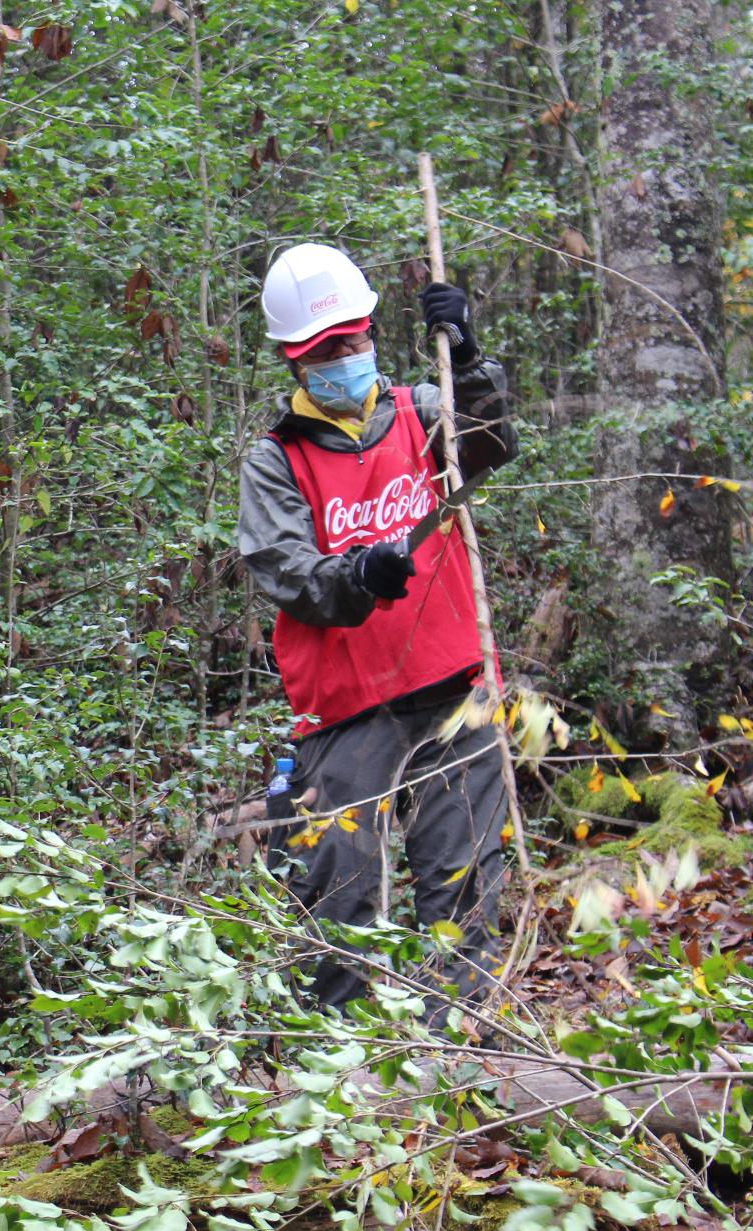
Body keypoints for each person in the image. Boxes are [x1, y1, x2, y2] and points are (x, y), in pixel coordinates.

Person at [237, 243, 518, 1023]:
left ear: (369, 332)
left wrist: (467, 360)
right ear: (297, 362)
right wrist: (354, 577)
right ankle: (336, 1068)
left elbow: (490, 446)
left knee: (462, 888)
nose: (343, 357)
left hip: (452, 690)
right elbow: (285, 569)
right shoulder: (275, 461)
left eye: (353, 341)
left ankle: (458, 1057)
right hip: (346, 710)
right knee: (335, 891)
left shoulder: (425, 408)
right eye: (325, 350)